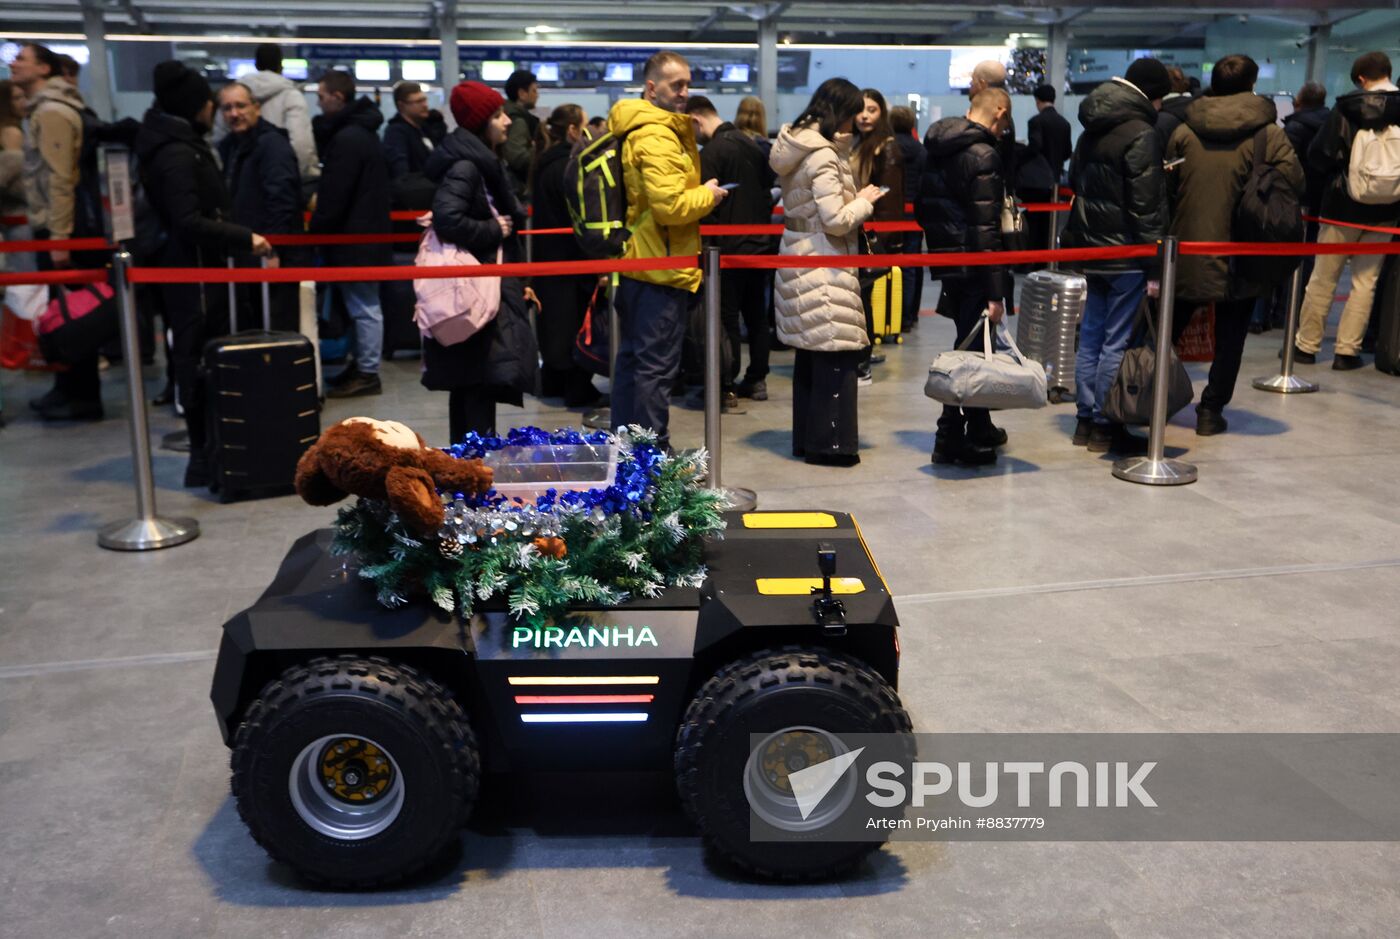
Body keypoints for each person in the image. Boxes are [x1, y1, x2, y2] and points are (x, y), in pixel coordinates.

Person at [136, 61, 274, 485]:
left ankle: (213, 450)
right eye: (213, 103)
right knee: (196, 358)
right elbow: (187, 219)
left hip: (194, 269)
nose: (217, 111)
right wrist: (241, 236)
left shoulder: (176, 142)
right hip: (191, 272)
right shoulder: (178, 151)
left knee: (198, 356)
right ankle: (204, 454)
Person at [1165, 53, 1304, 434]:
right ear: (1251, 85)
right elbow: (1293, 183)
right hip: (1241, 250)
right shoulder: (1268, 134)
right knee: (1231, 335)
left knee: (1166, 330)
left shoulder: (1184, 129)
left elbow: (1168, 187)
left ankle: (1152, 400)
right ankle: (1210, 411)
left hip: (1187, 247)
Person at [606, 51, 727, 452]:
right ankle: (652, 458)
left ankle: (629, 455)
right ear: (652, 87)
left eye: (688, 84)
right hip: (661, 267)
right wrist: (707, 196)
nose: (685, 92)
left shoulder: (644, 127)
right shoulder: (656, 134)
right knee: (654, 370)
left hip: (642, 263)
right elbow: (671, 207)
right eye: (677, 85)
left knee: (634, 365)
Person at [770, 77, 884, 466]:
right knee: (836, 354)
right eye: (854, 113)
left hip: (801, 256)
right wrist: (866, 201)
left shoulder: (800, 148)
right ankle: (831, 446)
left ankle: (808, 440)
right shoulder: (821, 155)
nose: (858, 121)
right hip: (825, 261)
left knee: (812, 357)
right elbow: (835, 220)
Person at [1061, 58, 1171, 454]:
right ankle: (1108, 422)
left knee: (1090, 337)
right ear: (1154, 97)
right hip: (1127, 250)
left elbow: (1075, 181)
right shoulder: (1142, 132)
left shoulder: (1091, 128)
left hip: (1091, 247)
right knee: (1116, 342)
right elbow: (1147, 204)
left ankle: (1084, 421)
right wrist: (1156, 261)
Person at [421, 81, 532, 442]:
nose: (507, 122)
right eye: (498, 115)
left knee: (473, 385)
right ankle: (473, 474)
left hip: (482, 286)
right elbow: (447, 218)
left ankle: (470, 470)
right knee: (476, 385)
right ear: (480, 123)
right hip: (474, 290)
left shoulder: (482, 163)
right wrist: (492, 229)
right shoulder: (469, 166)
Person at [918, 87, 1015, 466]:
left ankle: (978, 425)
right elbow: (986, 227)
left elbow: (924, 207)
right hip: (975, 265)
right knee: (970, 352)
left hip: (949, 259)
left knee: (969, 344)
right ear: (1000, 111)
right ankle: (949, 437)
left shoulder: (938, 146)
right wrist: (996, 293)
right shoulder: (984, 153)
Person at [1292, 53, 1400, 370]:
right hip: (1387, 210)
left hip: (1342, 207)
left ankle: (1306, 347)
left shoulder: (1346, 107)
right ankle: (1346, 352)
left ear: (1362, 80)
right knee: (1365, 282)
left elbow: (1320, 154)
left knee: (1324, 278)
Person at [12, 42, 97, 421]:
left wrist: (60, 237)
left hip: (63, 228)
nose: (13, 63)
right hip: (57, 225)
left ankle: (79, 393)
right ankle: (67, 387)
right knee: (61, 311)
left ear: (44, 69)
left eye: (22, 59)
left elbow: (61, 178)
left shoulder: (53, 113)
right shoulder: (43, 111)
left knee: (71, 313)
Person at [687, 94, 774, 406]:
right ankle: (758, 377)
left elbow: (704, 205)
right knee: (756, 317)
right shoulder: (753, 144)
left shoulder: (711, 152)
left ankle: (725, 382)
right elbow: (768, 192)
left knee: (726, 319)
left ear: (696, 119)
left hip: (725, 249)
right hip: (760, 245)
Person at [310, 69, 391, 398]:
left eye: (320, 96)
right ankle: (362, 365)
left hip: (355, 237)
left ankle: (368, 371)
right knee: (363, 306)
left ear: (337, 97)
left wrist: (316, 228)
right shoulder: (362, 132)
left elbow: (335, 193)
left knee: (364, 307)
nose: (318, 102)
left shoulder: (347, 138)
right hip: (365, 234)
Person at [531, 103, 604, 408]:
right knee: (575, 324)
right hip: (573, 259)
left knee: (554, 324)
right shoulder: (571, 166)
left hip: (547, 257)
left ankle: (552, 381)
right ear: (573, 130)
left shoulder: (543, 162)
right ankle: (577, 388)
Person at [216, 81, 302, 332]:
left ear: (257, 108)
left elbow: (282, 200)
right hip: (247, 251)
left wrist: (273, 249)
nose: (234, 113)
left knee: (276, 328)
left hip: (271, 254)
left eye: (240, 106)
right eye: (227, 108)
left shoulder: (272, 144)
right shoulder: (231, 146)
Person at [851, 88, 905, 384]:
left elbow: (889, 201)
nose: (864, 115)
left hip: (871, 236)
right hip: (856, 230)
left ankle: (862, 364)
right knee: (859, 300)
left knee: (861, 300)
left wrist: (883, 243)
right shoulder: (858, 144)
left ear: (881, 113)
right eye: (860, 109)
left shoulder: (887, 148)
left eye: (872, 109)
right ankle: (861, 358)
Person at [240, 43, 318, 186]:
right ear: (280, 65)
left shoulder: (237, 96)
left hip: (243, 178)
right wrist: (293, 177)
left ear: (256, 65)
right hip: (280, 177)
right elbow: (301, 144)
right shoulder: (291, 96)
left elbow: (220, 138)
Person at [889, 105, 926, 332]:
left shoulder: (888, 149)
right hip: (915, 214)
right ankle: (909, 315)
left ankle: (892, 314)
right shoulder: (921, 151)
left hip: (892, 213)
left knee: (890, 263)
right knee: (913, 264)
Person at [382, 81, 447, 179]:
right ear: (401, 105)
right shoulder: (396, 133)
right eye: (418, 101)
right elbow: (401, 174)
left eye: (424, 100)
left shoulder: (425, 128)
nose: (425, 105)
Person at [502, 69, 540, 200]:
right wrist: (538, 152)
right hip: (517, 190)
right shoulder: (518, 120)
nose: (537, 95)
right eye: (534, 90)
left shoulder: (506, 114)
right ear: (522, 93)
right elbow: (517, 158)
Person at [1027, 84, 1072, 185]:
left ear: (1037, 100)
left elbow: (1035, 147)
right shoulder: (1065, 123)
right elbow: (1067, 152)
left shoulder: (1035, 121)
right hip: (1057, 176)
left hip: (1038, 177)